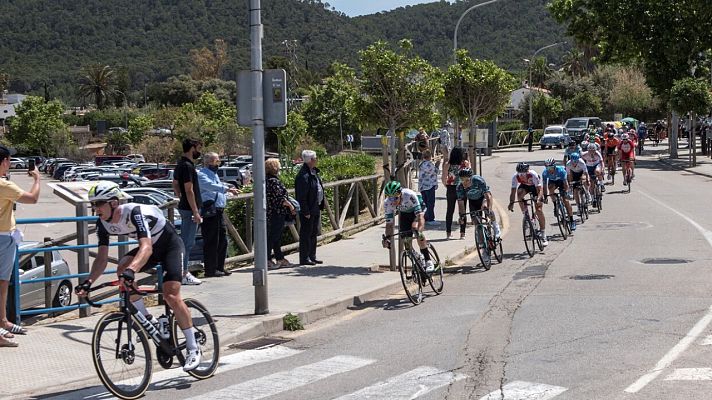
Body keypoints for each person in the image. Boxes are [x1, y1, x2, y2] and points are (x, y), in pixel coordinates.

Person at [77, 182, 201, 371]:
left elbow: (146, 247)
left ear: (113, 203)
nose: (95, 209)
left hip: (170, 246)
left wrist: (132, 270)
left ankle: (193, 347)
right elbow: (101, 258)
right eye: (93, 204)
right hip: (150, 248)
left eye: (99, 203)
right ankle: (147, 319)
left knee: (171, 295)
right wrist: (88, 282)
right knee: (122, 268)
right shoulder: (102, 223)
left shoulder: (134, 212)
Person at [0, 145, 40, 347]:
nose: (10, 164)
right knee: (1, 282)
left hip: (5, 237)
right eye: (8, 160)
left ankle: (3, 321)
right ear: (3, 161)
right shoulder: (4, 186)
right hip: (3, 238)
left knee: (3, 282)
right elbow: (32, 198)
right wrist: (37, 178)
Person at [197, 153, 238, 278]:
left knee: (222, 240)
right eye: (216, 161)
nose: (218, 164)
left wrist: (227, 193)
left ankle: (219, 267)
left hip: (219, 210)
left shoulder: (214, 174)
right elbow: (209, 186)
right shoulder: (201, 174)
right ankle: (210, 269)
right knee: (211, 241)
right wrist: (226, 189)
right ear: (208, 162)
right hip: (210, 211)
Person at [382, 181, 434, 272]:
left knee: (415, 229)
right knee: (406, 240)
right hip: (405, 213)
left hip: (417, 209)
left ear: (400, 194)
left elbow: (420, 217)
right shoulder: (387, 203)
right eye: (389, 198)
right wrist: (387, 238)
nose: (393, 201)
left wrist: (420, 231)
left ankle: (428, 260)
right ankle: (417, 257)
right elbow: (389, 224)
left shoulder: (409, 195)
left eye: (395, 198)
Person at [172, 138, 203, 285]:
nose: (199, 151)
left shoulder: (179, 164)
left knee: (185, 241)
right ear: (192, 148)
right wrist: (195, 211)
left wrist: (181, 198)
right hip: (190, 210)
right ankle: (183, 273)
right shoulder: (188, 166)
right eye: (198, 148)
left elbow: (175, 185)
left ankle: (182, 271)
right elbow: (189, 189)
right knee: (187, 243)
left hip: (185, 207)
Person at [295, 150, 325, 266]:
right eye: (315, 158)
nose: (317, 160)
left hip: (315, 206)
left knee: (313, 233)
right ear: (311, 160)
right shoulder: (303, 176)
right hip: (308, 209)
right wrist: (305, 210)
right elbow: (301, 196)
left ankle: (312, 256)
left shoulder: (313, 172)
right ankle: (304, 258)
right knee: (306, 234)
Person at [508, 162, 548, 246]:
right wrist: (511, 203)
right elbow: (513, 192)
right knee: (519, 194)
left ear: (527, 171)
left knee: (539, 209)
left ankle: (543, 234)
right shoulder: (515, 177)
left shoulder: (533, 174)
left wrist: (538, 199)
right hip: (525, 186)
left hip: (535, 187)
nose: (521, 175)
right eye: (520, 173)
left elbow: (539, 190)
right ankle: (525, 215)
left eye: (523, 173)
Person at [266, 158, 296, 269]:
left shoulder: (268, 179)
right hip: (276, 212)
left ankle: (279, 258)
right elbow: (280, 198)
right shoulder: (273, 181)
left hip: (273, 211)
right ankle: (267, 260)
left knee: (276, 236)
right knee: (273, 237)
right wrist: (291, 206)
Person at [456, 168, 500, 240]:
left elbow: (488, 196)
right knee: (475, 220)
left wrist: (489, 209)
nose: (464, 183)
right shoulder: (459, 187)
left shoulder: (477, 180)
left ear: (471, 179)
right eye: (462, 180)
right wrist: (462, 216)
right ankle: (482, 242)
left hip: (483, 197)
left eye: (467, 180)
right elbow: (461, 204)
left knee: (486, 208)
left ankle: (495, 226)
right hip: (473, 201)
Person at [441, 147, 469, 239]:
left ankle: (448, 233)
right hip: (462, 189)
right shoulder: (465, 164)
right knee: (462, 211)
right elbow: (469, 177)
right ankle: (462, 233)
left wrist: (447, 186)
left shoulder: (447, 164)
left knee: (450, 211)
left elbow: (443, 178)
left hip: (451, 189)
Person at [542, 158, 576, 231]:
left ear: (554, 166)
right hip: (553, 182)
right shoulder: (545, 172)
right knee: (550, 189)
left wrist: (566, 192)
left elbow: (566, 184)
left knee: (566, 201)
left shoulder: (561, 170)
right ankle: (555, 205)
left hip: (562, 182)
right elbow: (544, 186)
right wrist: (545, 196)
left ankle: (572, 220)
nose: (549, 169)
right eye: (547, 167)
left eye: (551, 167)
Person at [418, 149, 438, 226]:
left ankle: (425, 217)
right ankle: (431, 218)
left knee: (425, 203)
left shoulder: (421, 164)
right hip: (429, 185)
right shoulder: (429, 164)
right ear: (430, 156)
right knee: (430, 203)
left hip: (423, 186)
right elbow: (435, 171)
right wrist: (437, 164)